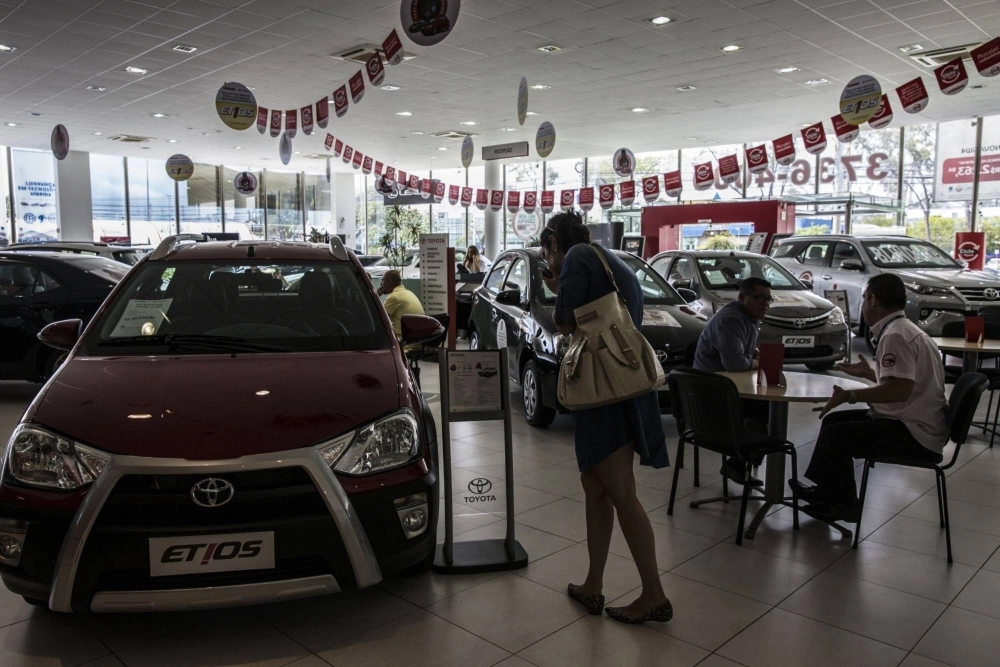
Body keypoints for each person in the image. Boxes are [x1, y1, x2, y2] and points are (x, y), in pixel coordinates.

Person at [539, 211, 672, 625]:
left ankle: (654, 594)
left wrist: (556, 285)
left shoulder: (577, 257)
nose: (549, 258)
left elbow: (563, 321)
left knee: (619, 490)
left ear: (555, 245)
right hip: (617, 384)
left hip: (605, 392)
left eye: (548, 251)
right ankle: (593, 585)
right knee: (596, 485)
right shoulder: (610, 259)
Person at [796, 274, 948, 522]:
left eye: (865, 297)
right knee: (832, 423)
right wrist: (871, 373)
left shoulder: (895, 336)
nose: (863, 303)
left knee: (838, 436)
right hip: (919, 422)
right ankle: (826, 493)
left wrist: (850, 395)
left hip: (914, 433)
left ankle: (845, 506)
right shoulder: (904, 329)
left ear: (874, 300)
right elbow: (902, 381)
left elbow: (899, 391)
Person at [692, 276, 773, 486]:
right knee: (763, 408)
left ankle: (744, 459)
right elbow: (736, 364)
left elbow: (743, 354)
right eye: (759, 298)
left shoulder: (750, 319)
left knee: (768, 406)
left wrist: (753, 356)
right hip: (709, 395)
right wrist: (758, 362)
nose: (765, 304)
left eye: (769, 299)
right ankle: (739, 463)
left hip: (729, 387)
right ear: (742, 297)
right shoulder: (730, 319)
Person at [378, 270, 424, 337]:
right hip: (416, 341)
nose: (380, 284)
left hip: (404, 344)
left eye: (382, 281)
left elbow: (379, 319)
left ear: (388, 282)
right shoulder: (409, 293)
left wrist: (376, 296)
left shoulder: (394, 297)